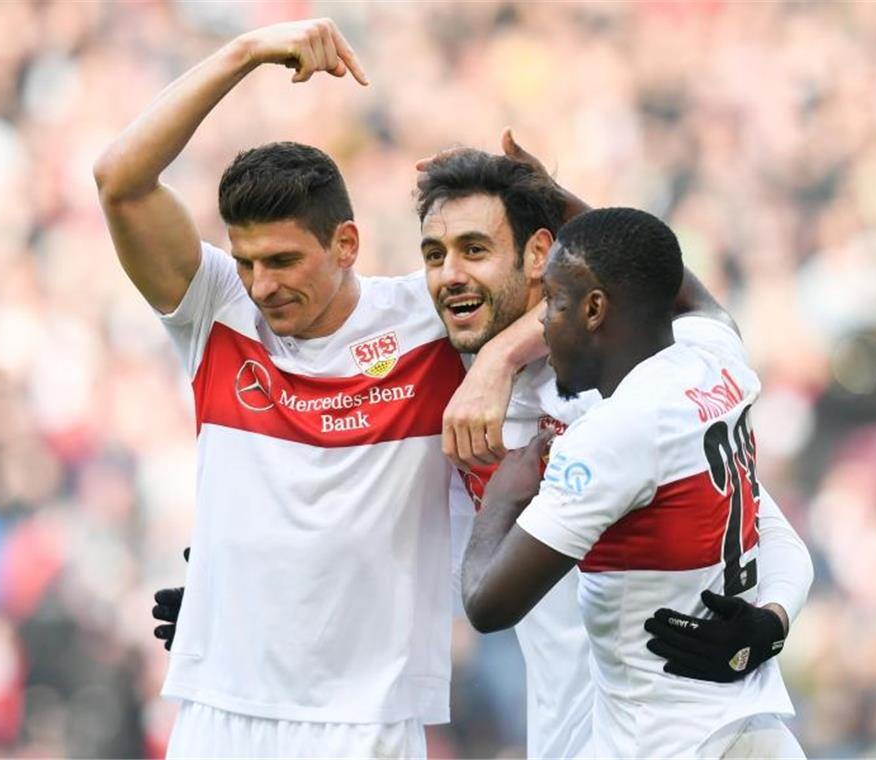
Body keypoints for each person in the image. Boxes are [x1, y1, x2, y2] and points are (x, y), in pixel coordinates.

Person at [155, 138, 813, 759]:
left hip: (668, 732)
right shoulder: (445, 380)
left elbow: (767, 524)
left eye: (474, 249)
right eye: (434, 254)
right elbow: (360, 526)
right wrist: (238, 599)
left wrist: (772, 622)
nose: (448, 275)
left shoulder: (610, 393)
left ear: (540, 257)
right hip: (586, 733)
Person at [94, 18, 543, 759]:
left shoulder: (429, 321)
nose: (262, 286)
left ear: (346, 244)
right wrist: (242, 54)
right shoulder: (216, 314)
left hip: (367, 721)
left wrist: (497, 361)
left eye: (282, 260)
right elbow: (119, 179)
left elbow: (588, 295)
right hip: (219, 708)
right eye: (245, 260)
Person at [461, 206, 806, 758]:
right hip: (754, 734)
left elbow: (485, 605)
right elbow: (684, 287)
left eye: (554, 301)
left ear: (595, 307)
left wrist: (500, 499)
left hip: (663, 743)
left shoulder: (613, 436)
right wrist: (774, 620)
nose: (543, 323)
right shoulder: (717, 362)